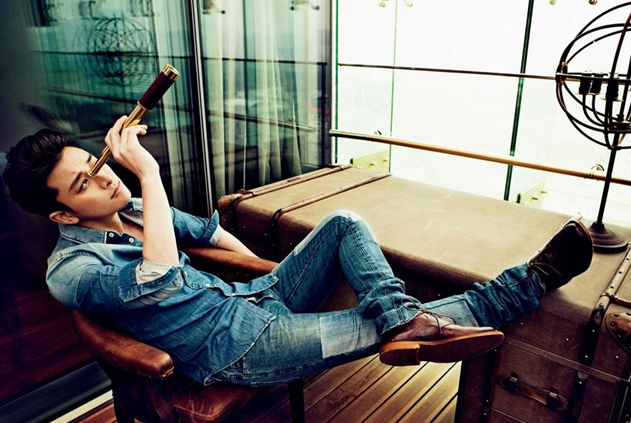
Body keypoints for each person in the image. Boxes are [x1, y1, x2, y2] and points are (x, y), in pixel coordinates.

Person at [2, 116, 593, 387]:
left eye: (96, 163)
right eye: (84, 183)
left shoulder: (131, 212)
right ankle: (528, 282)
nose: (106, 178)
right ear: (62, 215)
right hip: (235, 350)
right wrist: (150, 174)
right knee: (380, 328)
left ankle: (401, 318)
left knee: (343, 222)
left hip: (251, 298)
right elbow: (158, 273)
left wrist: (269, 273)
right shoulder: (72, 272)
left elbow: (207, 233)